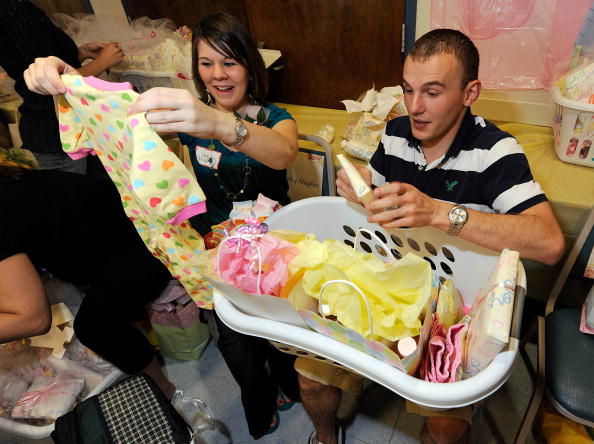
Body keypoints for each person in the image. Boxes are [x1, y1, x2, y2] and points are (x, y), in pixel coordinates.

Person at [23, 12, 300, 440]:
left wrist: (222, 126)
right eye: (206, 64)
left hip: (273, 250)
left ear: (250, 66)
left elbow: (283, 153)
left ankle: (286, 380)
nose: (218, 75)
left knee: (280, 332)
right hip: (213, 251)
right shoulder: (188, 116)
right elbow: (121, 112)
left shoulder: (275, 117)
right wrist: (68, 77)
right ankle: (258, 399)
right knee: (236, 343)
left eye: (230, 62)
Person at [300, 29, 565, 444]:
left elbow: (549, 243)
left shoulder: (496, 152)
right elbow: (381, 201)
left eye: (433, 92)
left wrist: (441, 212)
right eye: (408, 90)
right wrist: (361, 187)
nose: (415, 107)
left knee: (443, 429)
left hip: (455, 299)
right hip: (391, 282)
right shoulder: (396, 133)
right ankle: (326, 436)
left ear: (469, 92)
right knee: (311, 377)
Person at [0, 153, 177, 400]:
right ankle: (137, 331)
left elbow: (34, 318)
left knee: (94, 327)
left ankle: (163, 390)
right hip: (115, 227)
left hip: (145, 238)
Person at [0, 0, 124, 173]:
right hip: (56, 131)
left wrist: (78, 54)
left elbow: (31, 59)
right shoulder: (12, 6)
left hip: (61, 130)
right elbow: (53, 82)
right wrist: (103, 62)